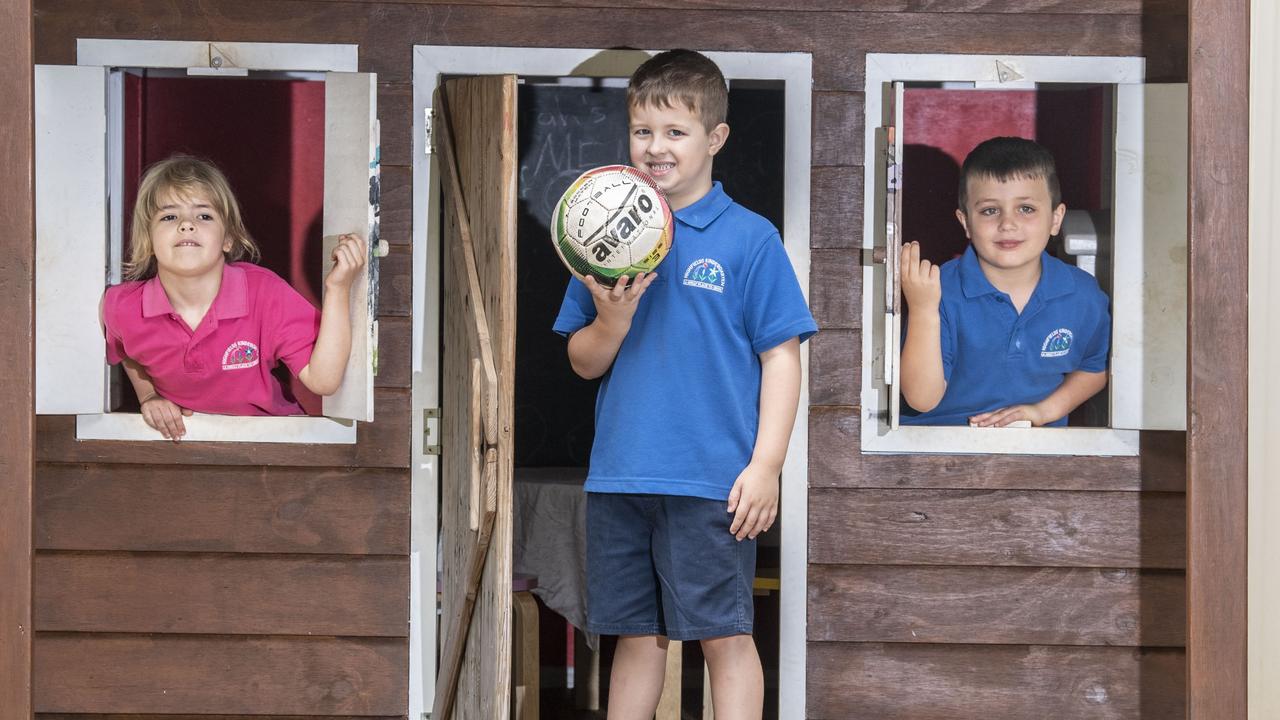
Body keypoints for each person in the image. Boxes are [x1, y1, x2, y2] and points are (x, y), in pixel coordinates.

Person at [553, 49, 817, 720]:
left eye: (675, 131)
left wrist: (767, 466)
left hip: (712, 481)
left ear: (715, 139)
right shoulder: (599, 233)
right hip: (622, 476)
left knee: (724, 637)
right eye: (643, 130)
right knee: (636, 638)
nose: (655, 147)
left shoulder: (750, 239)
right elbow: (583, 362)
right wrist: (611, 322)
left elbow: (782, 359)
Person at [101, 155, 365, 441]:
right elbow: (127, 349)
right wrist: (149, 395)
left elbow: (323, 380)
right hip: (188, 448)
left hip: (274, 440)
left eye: (204, 215)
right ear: (148, 241)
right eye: (169, 216)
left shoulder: (264, 292)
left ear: (227, 239)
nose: (186, 225)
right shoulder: (121, 307)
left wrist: (338, 290)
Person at [899, 136, 1110, 427]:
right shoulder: (939, 290)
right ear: (966, 223)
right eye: (989, 210)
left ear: (1055, 219)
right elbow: (922, 399)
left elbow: (1093, 368)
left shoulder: (1084, 294)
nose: (1007, 224)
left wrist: (1041, 413)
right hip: (938, 444)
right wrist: (923, 309)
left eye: (1026, 209)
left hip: (1035, 451)